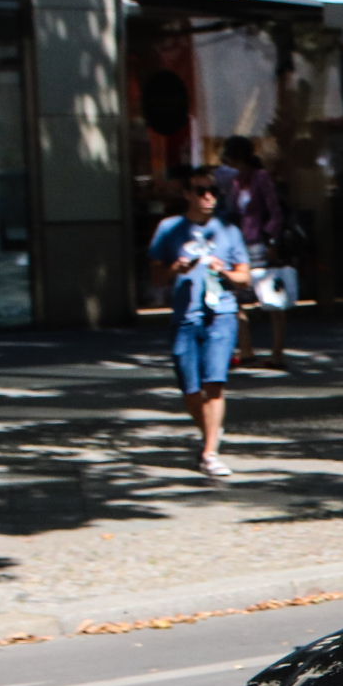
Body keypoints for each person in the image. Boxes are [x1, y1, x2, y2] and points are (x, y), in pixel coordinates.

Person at [147, 169, 252, 478]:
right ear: (187, 194)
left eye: (214, 191)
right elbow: (154, 276)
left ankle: (210, 452)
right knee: (190, 388)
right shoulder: (169, 229)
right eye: (201, 190)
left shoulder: (229, 231)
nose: (209, 197)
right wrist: (175, 268)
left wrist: (225, 272)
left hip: (221, 313)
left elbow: (244, 277)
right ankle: (211, 434)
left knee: (214, 385)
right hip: (185, 316)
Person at [222, 136, 291, 367]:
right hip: (240, 244)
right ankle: (246, 349)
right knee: (234, 296)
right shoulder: (236, 181)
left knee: (271, 299)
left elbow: (275, 211)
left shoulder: (260, 178)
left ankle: (277, 353)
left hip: (260, 244)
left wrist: (272, 241)